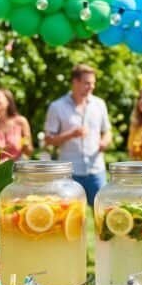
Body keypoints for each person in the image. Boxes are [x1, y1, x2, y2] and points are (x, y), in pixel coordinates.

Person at [44, 64, 112, 206]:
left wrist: (105, 141)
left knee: (103, 213)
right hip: (70, 173)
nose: (92, 87)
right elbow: (49, 140)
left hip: (96, 170)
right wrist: (70, 134)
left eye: (93, 83)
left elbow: (107, 131)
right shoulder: (57, 106)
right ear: (75, 82)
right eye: (87, 83)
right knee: (70, 214)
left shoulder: (100, 104)